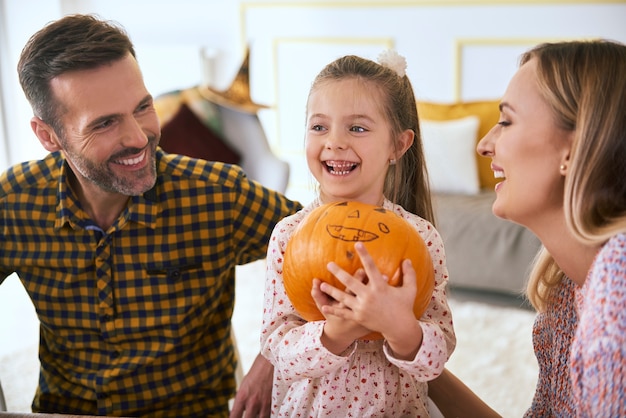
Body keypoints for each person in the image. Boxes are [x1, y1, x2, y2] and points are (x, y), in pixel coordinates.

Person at [0, 14, 301, 417]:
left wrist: (273, 356)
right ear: (48, 136)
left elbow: (333, 247)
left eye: (143, 107)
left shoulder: (217, 195)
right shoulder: (14, 202)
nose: (139, 138)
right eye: (105, 123)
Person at [428, 39, 626, 417]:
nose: (485, 145)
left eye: (506, 121)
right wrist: (410, 353)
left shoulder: (618, 277)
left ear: (575, 147)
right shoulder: (568, 286)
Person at [259, 51, 456, 416]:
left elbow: (436, 356)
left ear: (398, 145)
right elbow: (277, 349)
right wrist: (336, 333)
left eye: (357, 128)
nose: (334, 142)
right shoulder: (289, 235)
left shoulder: (421, 238)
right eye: (319, 127)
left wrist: (400, 328)